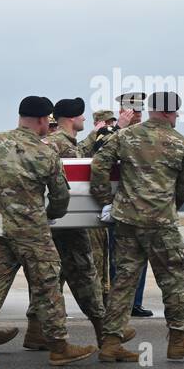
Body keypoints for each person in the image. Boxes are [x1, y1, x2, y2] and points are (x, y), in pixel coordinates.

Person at [0, 96, 93, 366]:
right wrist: (52, 215)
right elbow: (60, 196)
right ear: (43, 120)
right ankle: (59, 345)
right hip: (32, 228)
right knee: (48, 285)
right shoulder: (45, 152)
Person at [92, 91, 184, 361]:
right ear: (171, 113)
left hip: (126, 219)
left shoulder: (125, 136)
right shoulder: (181, 143)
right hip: (161, 223)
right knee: (175, 278)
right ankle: (178, 339)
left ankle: (111, 343)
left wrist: (105, 200)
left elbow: (100, 163)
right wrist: (168, 206)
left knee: (123, 280)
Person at [20, 98, 130, 349]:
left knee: (53, 279)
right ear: (72, 119)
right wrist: (115, 130)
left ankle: (37, 331)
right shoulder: (59, 142)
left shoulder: (61, 142)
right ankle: (106, 332)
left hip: (62, 220)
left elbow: (80, 152)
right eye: (81, 116)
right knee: (83, 275)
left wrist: (102, 134)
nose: (84, 119)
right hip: (65, 220)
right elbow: (80, 163)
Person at [106, 92, 154, 318]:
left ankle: (135, 302)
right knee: (120, 259)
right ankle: (117, 304)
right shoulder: (108, 133)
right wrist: (118, 128)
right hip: (119, 204)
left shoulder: (147, 135)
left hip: (143, 206)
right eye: (132, 110)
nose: (136, 114)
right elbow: (99, 158)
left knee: (140, 258)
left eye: (139, 110)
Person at [79, 108, 117, 307]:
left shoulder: (114, 138)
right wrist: (97, 135)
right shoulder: (92, 142)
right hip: (89, 206)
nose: (110, 125)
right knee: (93, 256)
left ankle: (104, 296)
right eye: (107, 123)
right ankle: (96, 302)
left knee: (103, 255)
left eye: (113, 122)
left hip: (106, 205)